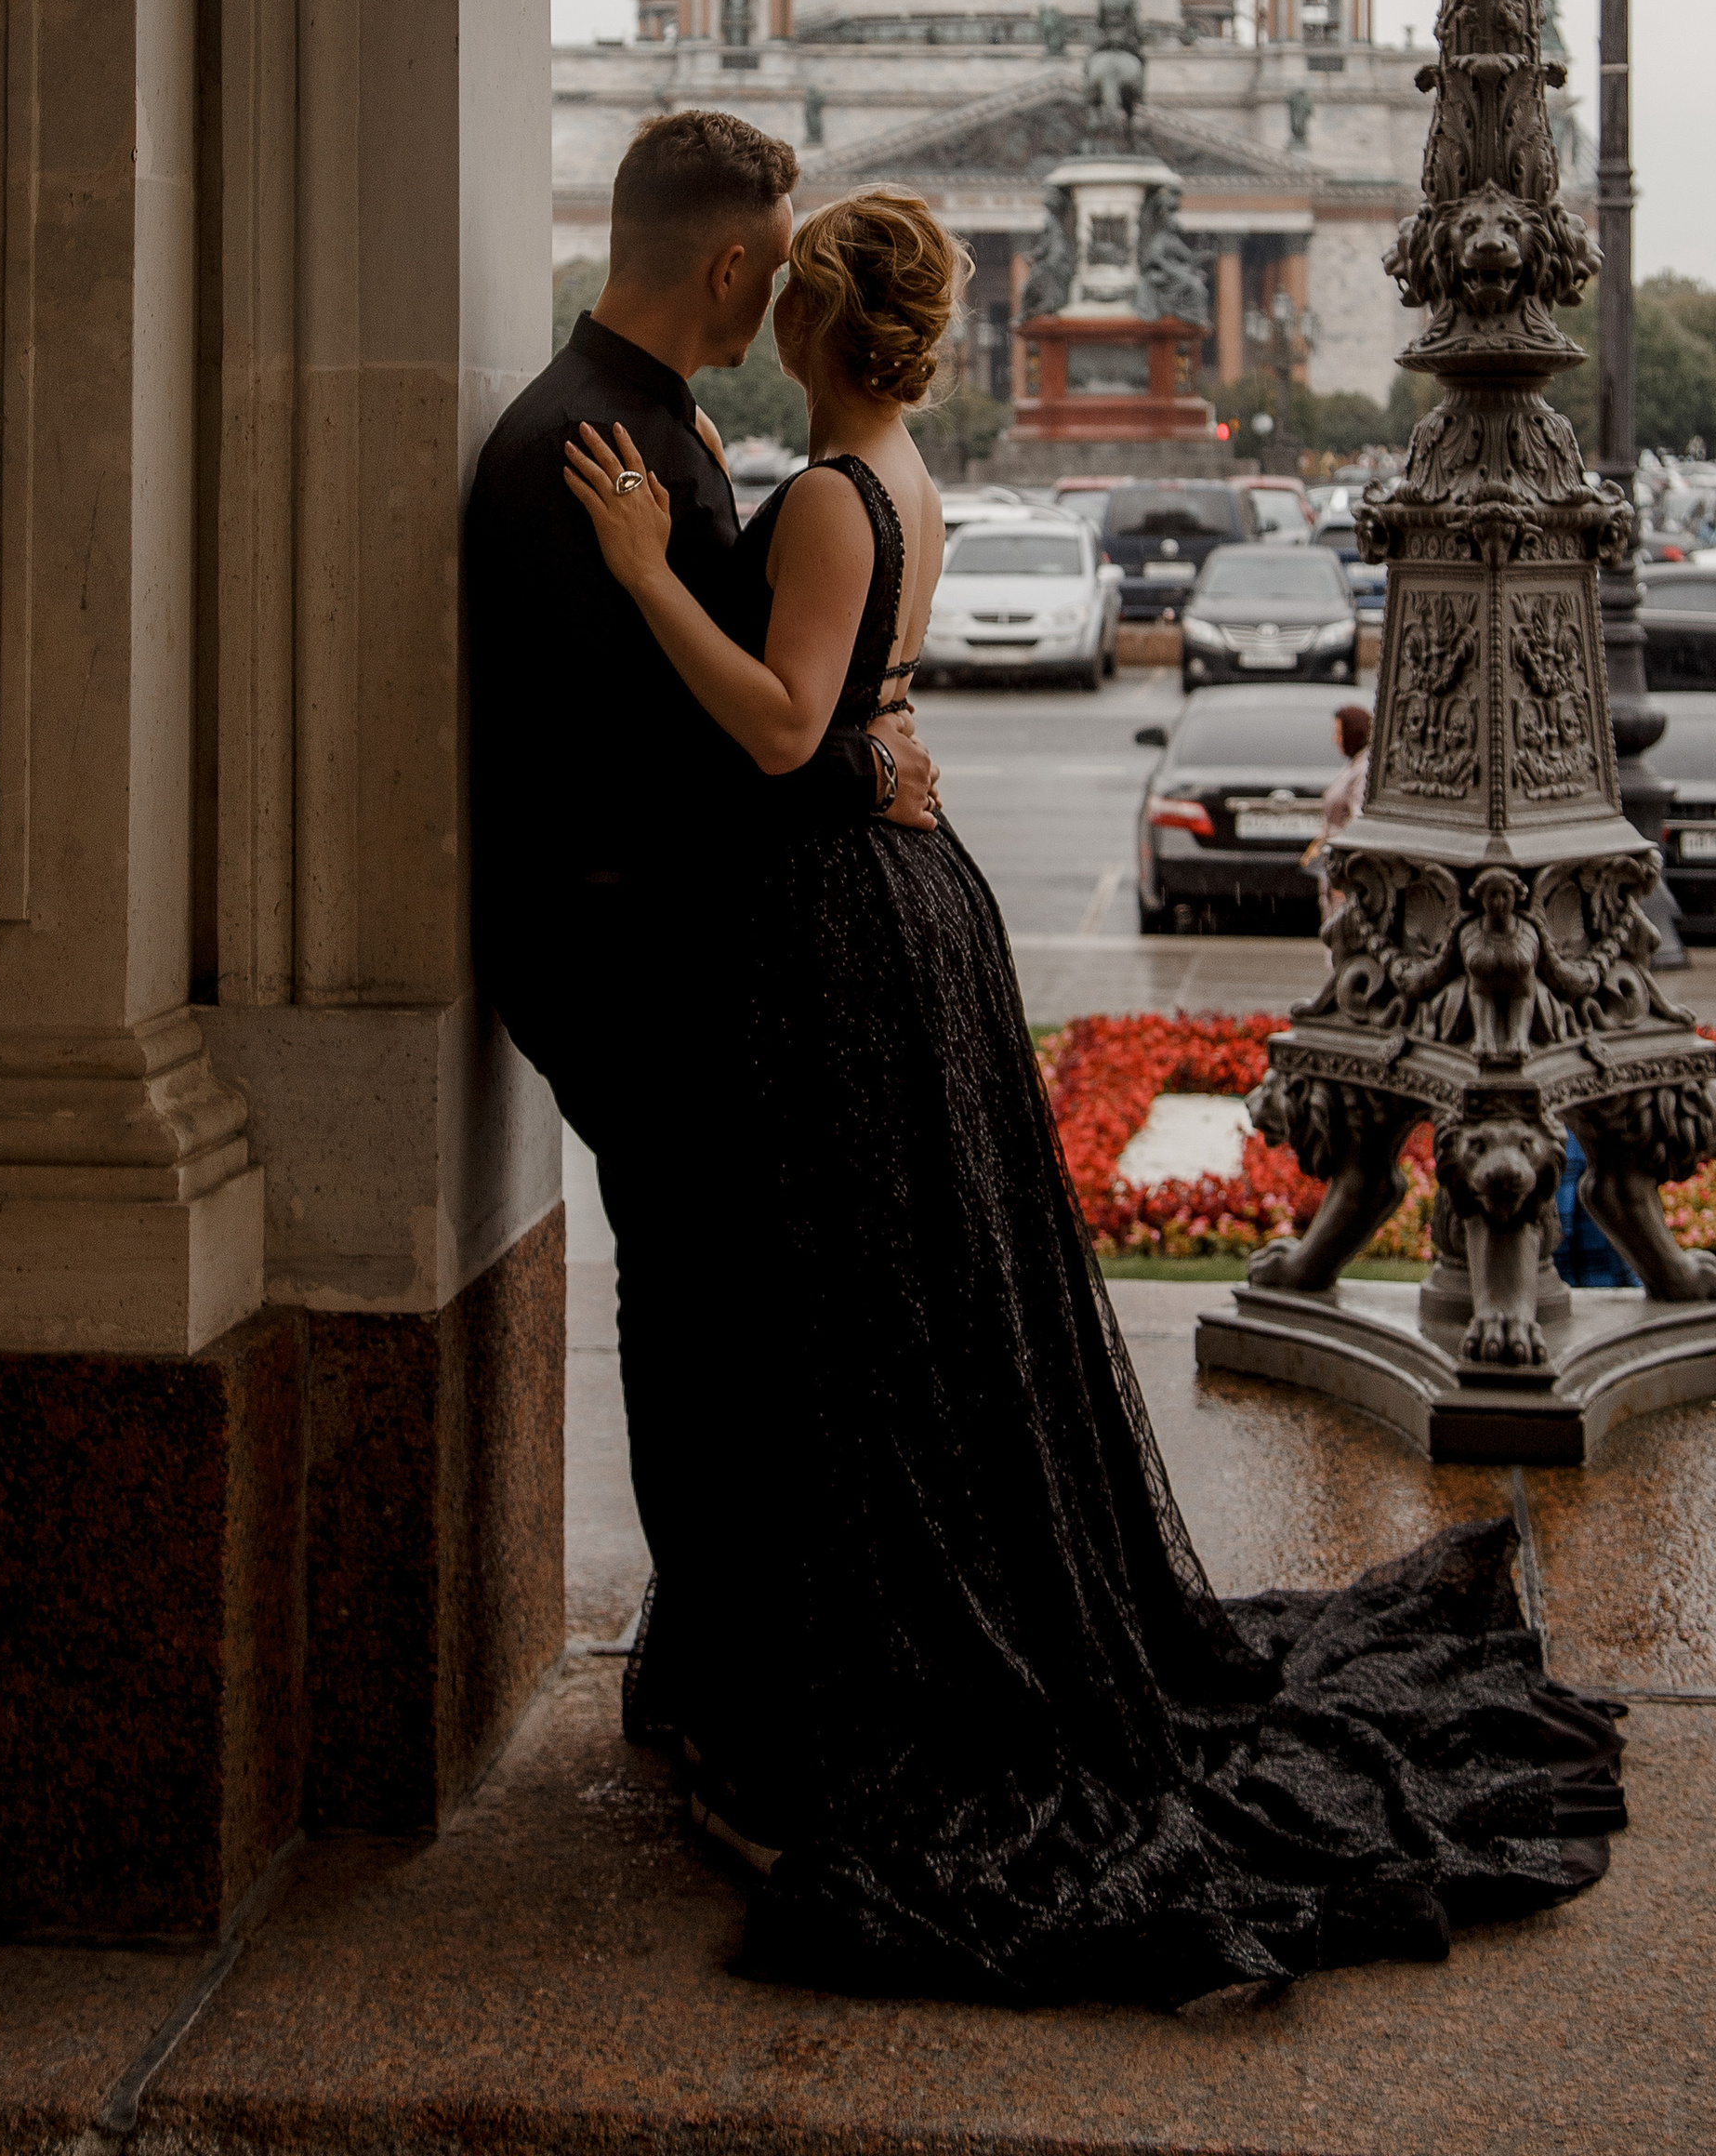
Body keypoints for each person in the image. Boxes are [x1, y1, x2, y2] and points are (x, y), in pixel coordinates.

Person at [561, 181, 1624, 2012]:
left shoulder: (824, 490)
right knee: (920, 1303)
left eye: (786, 300)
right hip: (909, 897)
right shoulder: (902, 475)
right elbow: (864, 707)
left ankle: (871, 1662)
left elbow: (781, 727)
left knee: (863, 1308)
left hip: (845, 926)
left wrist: (645, 562)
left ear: (816, 324)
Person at [464, 111, 937, 1650]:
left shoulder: (637, 426)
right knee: (695, 1309)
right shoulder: (607, 449)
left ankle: (717, 1635)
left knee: (716, 1306)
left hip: (641, 935)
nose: (784, 302)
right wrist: (862, 765)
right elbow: (688, 752)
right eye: (776, 268)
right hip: (631, 952)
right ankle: (711, 1650)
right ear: (730, 264)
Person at [1304, 697, 1374, 928]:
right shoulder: (1355, 765)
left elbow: (1357, 823)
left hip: (1343, 870)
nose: (1335, 740)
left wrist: (1346, 877)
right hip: (1334, 864)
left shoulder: (1362, 770)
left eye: (1338, 733)